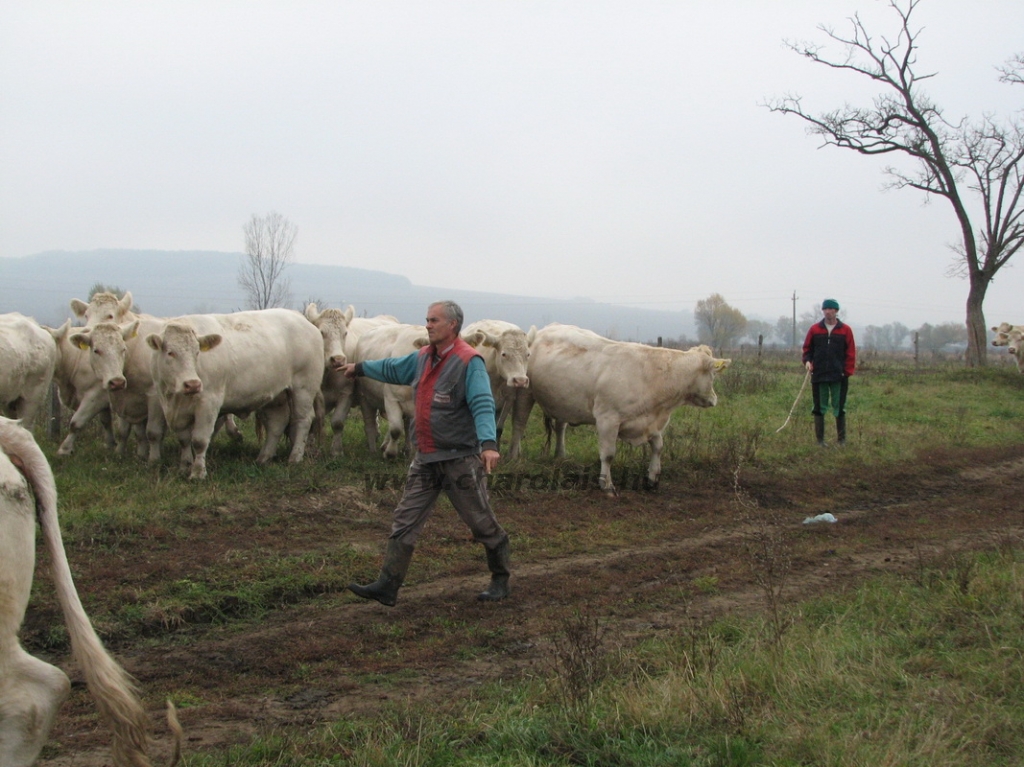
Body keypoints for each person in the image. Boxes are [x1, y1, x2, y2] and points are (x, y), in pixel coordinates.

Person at [341, 300, 510, 606]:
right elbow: (393, 368)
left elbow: (483, 403)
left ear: (452, 326)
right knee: (405, 519)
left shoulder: (468, 362)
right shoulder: (422, 357)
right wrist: (360, 368)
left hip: (459, 459)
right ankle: (387, 585)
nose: (428, 325)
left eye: (434, 320)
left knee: (480, 521)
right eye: (427, 320)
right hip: (426, 457)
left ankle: (500, 578)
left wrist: (488, 444)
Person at [802, 298, 856, 446]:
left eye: (831, 309)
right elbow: (807, 350)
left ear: (836, 311)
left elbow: (850, 352)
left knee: (839, 407)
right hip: (819, 375)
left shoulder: (846, 330)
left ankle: (841, 440)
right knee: (819, 407)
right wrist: (807, 362)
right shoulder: (814, 330)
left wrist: (846, 372)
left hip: (839, 376)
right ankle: (820, 441)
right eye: (825, 309)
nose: (828, 311)